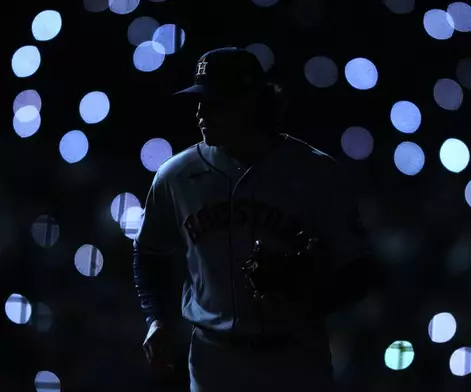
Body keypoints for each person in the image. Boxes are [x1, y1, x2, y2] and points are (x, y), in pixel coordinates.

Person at [132, 47, 381, 392]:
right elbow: (148, 254)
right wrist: (157, 320)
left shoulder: (316, 173)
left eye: (214, 101)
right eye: (198, 101)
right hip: (214, 359)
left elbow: (362, 269)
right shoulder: (176, 175)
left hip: (295, 359)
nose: (201, 111)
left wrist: (305, 288)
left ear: (249, 101)